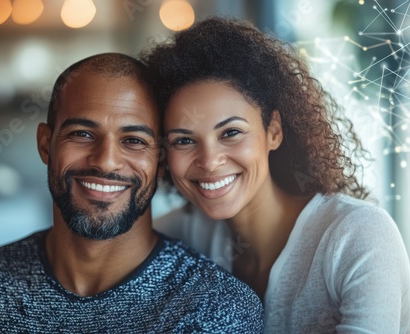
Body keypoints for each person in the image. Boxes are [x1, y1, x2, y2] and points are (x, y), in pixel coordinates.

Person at [0, 53, 264, 333]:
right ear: (46, 144)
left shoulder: (216, 307)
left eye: (133, 140)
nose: (106, 161)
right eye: (83, 134)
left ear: (160, 162)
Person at [143, 18, 410, 333]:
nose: (210, 161)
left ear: (274, 131)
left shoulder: (356, 236)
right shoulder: (179, 236)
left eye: (230, 132)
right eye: (184, 140)